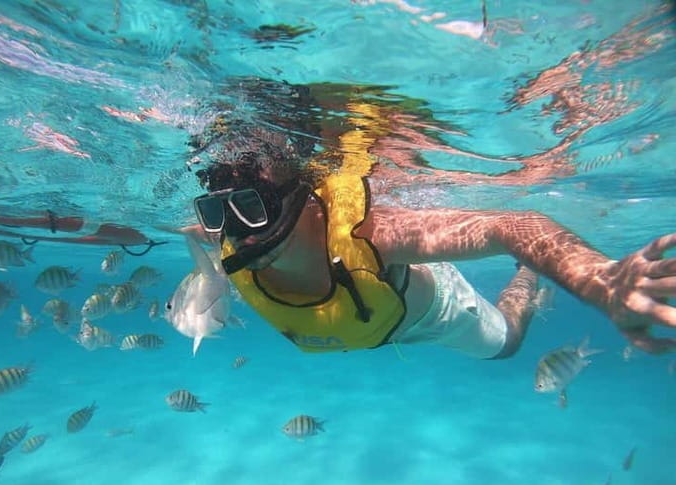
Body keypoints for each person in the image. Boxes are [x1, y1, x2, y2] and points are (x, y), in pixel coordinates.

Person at [182, 106, 675, 360]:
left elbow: (510, 224)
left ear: (304, 198)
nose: (238, 234)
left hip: (435, 315)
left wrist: (598, 279)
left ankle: (526, 278)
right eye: (217, 212)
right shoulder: (225, 232)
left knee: (507, 343)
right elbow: (191, 228)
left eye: (253, 208)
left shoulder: (369, 235)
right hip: (369, 324)